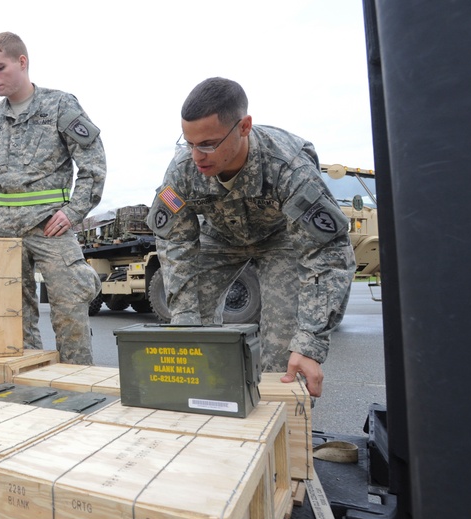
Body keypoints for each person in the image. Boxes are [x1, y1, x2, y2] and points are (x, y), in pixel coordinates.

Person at [146, 77, 356, 397]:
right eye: (189, 144)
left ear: (244, 127)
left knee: (286, 350)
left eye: (208, 144)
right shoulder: (183, 172)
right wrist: (186, 317)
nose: (197, 156)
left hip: (281, 238)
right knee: (189, 330)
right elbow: (176, 241)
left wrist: (311, 342)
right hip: (219, 237)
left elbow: (327, 252)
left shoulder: (288, 167)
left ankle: (283, 426)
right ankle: (209, 406)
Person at [0, 32, 105, 365]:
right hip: (3, 236)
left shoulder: (59, 105)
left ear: (22, 62)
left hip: (50, 229)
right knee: (14, 319)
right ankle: (28, 393)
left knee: (70, 309)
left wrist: (73, 212)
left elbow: (93, 163)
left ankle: (79, 385)